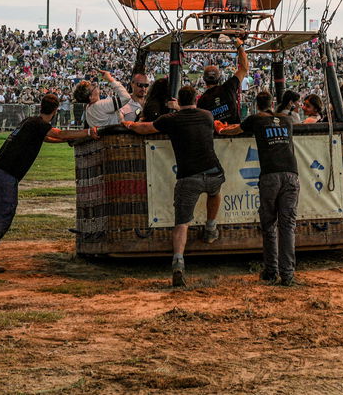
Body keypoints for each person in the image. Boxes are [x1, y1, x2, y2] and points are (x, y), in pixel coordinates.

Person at [0, 94, 94, 272]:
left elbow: (50, 138)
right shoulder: (40, 125)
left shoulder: (30, 122)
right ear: (56, 110)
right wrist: (88, 132)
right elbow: (59, 133)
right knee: (3, 217)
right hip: (7, 174)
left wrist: (67, 140)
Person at [125, 85, 224, 287]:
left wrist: (128, 125)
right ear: (195, 98)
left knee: (182, 223)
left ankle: (178, 261)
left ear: (178, 100)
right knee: (215, 191)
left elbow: (145, 128)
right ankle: (211, 227)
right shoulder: (206, 115)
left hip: (189, 176)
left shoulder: (171, 119)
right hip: (213, 171)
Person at [221, 91, 298, 286]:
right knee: (287, 225)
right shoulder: (286, 120)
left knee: (269, 224)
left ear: (257, 104)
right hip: (291, 173)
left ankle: (271, 270)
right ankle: (287, 274)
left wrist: (221, 130)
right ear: (272, 103)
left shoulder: (256, 119)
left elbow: (236, 130)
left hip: (270, 175)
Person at [197, 36, 248, 124]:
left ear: (204, 80)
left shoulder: (202, 100)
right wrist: (239, 46)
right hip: (235, 134)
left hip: (215, 136)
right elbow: (244, 68)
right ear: (220, 78)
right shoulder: (228, 87)